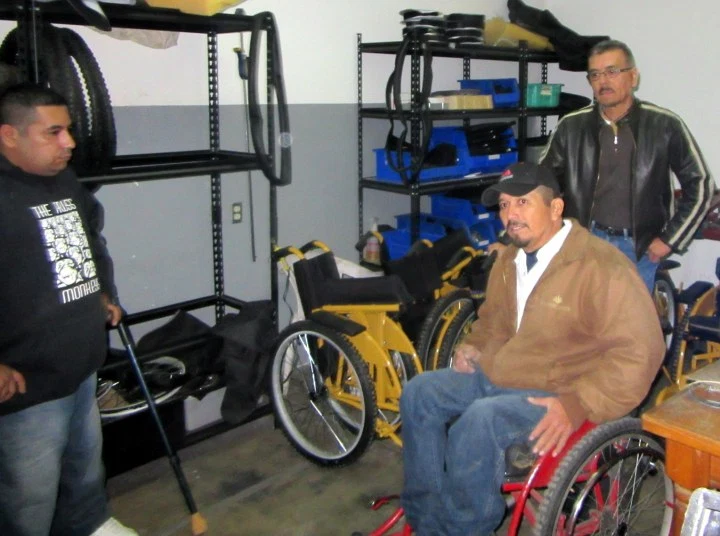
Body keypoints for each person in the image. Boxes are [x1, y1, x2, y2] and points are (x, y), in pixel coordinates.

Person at [399, 162, 665, 535]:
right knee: (419, 393)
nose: (510, 215)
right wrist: (473, 346)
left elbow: (642, 352)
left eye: (522, 202)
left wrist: (577, 403)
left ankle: (462, 528)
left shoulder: (601, 266)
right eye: (505, 205)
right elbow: (492, 319)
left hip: (558, 390)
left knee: (479, 423)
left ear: (556, 208)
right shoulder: (509, 259)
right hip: (503, 373)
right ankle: (426, 518)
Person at [0, 83, 136, 536]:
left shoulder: (63, 180)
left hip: (79, 365)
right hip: (29, 385)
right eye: (53, 132)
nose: (70, 143)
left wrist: (100, 292)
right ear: (9, 136)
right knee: (30, 496)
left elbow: (86, 244)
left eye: (69, 131)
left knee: (84, 471)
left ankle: (90, 525)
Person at [539, 39, 713, 292]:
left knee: (631, 328)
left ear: (633, 76)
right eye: (595, 74)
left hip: (639, 247)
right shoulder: (571, 126)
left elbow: (702, 186)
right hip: (584, 243)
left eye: (612, 71)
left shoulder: (664, 124)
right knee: (582, 323)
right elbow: (542, 184)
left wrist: (669, 240)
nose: (603, 81)